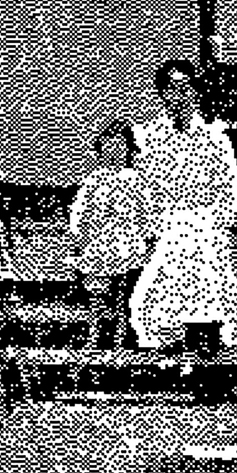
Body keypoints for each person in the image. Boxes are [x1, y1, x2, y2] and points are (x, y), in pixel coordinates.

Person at [128, 60, 237, 359]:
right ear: (162, 95)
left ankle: (206, 346)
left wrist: (217, 222)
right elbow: (146, 188)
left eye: (185, 88)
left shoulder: (215, 138)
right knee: (162, 284)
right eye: (171, 89)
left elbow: (229, 186)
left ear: (195, 92)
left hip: (206, 223)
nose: (179, 96)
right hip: (168, 225)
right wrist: (152, 228)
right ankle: (172, 348)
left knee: (209, 279)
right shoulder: (151, 139)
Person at [67, 121, 156, 348]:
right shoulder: (94, 181)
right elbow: (80, 212)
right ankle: (94, 335)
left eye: (120, 146)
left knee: (122, 295)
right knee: (97, 295)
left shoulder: (136, 181)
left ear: (129, 149)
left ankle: (120, 337)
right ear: (101, 149)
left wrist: (147, 237)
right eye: (109, 146)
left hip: (127, 243)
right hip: (98, 243)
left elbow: (145, 212)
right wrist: (79, 236)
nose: (115, 151)